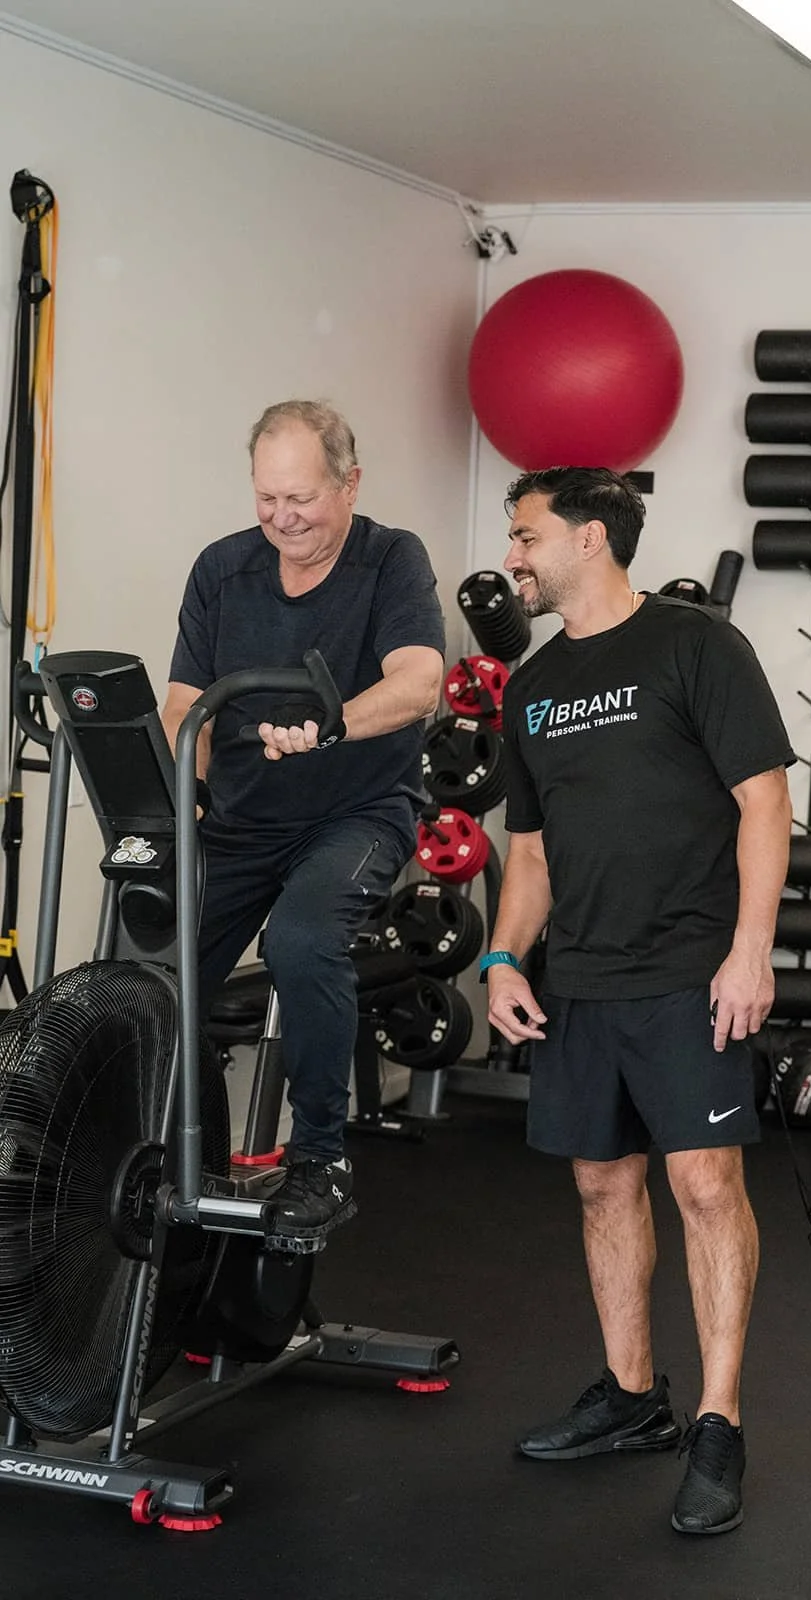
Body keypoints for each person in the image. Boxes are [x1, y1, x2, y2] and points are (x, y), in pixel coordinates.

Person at [483, 466, 794, 1535]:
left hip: (687, 967)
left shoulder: (692, 645)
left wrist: (749, 952)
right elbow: (529, 852)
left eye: (526, 536)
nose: (511, 557)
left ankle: (717, 1421)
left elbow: (763, 803)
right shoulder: (530, 687)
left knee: (704, 1186)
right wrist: (502, 958)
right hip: (578, 976)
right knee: (601, 1185)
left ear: (589, 539)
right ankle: (629, 1398)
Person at [162, 400, 445, 1251]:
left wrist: (331, 725)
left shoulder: (390, 559)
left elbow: (419, 683)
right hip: (241, 816)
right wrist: (187, 795)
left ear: (349, 484)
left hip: (356, 810)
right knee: (157, 970)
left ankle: (320, 1158)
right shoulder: (222, 569)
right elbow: (185, 704)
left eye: (302, 498)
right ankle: (167, 1140)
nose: (283, 517)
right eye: (267, 497)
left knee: (301, 939)